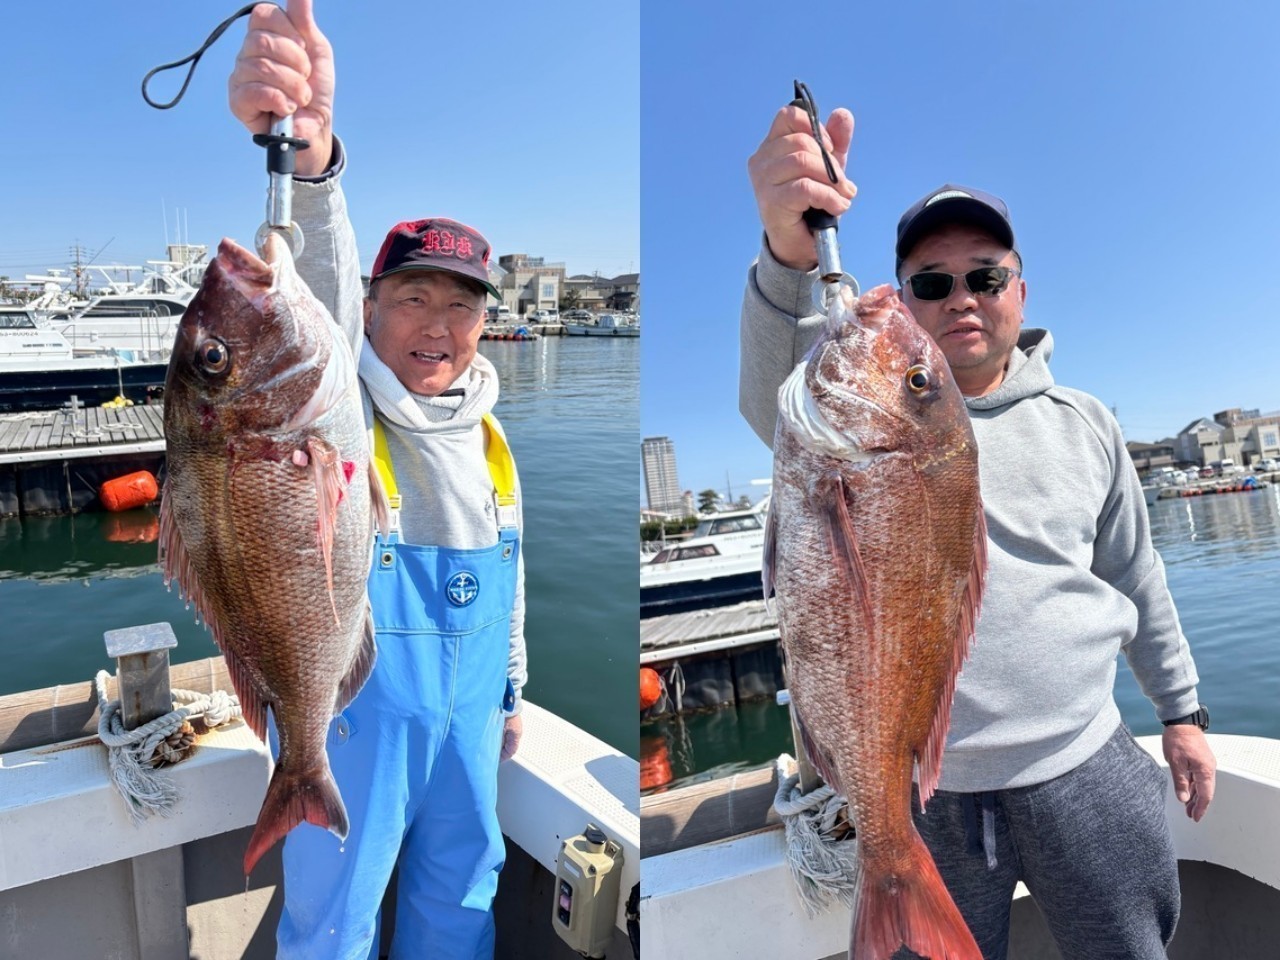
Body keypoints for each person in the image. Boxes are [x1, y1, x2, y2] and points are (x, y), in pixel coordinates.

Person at [741, 104, 1218, 959]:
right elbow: (776, 381)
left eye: (985, 278)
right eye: (930, 283)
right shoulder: (831, 417)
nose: (960, 298)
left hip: (1086, 757)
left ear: (1020, 292)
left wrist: (1181, 713)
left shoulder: (1086, 421)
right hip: (921, 793)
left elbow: (1139, 578)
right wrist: (786, 250)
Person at [228, 2, 526, 957]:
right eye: (412, 297)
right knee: (336, 915)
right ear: (368, 309)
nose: (436, 324)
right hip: (353, 718)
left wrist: (512, 690)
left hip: (472, 716)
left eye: (460, 304)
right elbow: (304, 285)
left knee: (464, 893)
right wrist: (308, 163)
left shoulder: (491, 438)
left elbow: (512, 584)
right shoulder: (339, 411)